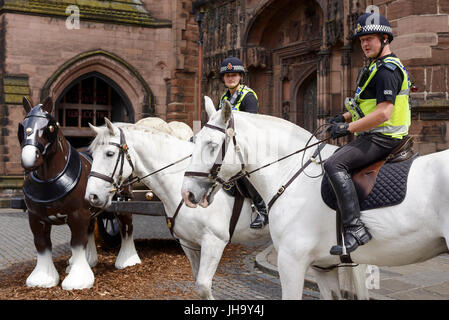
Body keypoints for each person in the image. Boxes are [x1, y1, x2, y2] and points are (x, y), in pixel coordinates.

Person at [324, 12, 412, 255]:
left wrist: (347, 128)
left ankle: (354, 229)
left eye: (370, 38)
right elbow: (368, 106)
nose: (364, 44)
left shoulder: (387, 70)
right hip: (375, 134)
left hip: (384, 137)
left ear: (385, 38)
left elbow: (384, 113)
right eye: (362, 40)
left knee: (334, 164)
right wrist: (343, 117)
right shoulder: (375, 66)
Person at [217, 56, 268, 229]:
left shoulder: (248, 96)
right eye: (227, 75)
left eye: (234, 75)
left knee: (243, 172)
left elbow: (251, 125)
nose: (230, 78)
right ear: (224, 79)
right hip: (229, 144)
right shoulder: (223, 98)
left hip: (248, 143)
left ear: (240, 76)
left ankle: (262, 210)